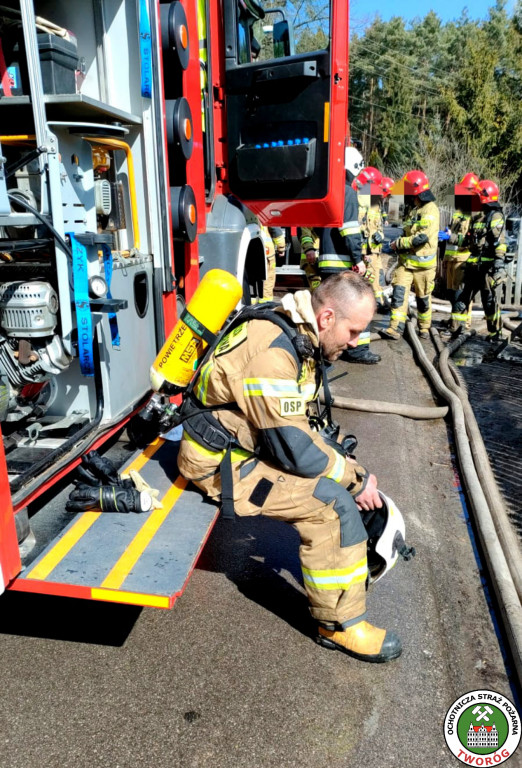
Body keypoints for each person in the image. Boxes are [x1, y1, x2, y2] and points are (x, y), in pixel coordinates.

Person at [177, 271, 402, 663]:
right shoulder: (274, 352)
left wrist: (345, 462)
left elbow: (299, 422)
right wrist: (355, 479)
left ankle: (339, 587)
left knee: (338, 480)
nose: (355, 342)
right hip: (220, 464)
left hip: (246, 444)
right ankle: (339, 625)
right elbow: (293, 447)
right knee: (331, 505)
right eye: (353, 331)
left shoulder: (297, 333)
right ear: (327, 317)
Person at [312, 147, 381, 365]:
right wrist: (358, 258)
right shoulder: (347, 193)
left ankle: (324, 349)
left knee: (329, 309)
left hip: (326, 262)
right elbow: (350, 231)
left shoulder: (327, 192)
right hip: (342, 263)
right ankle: (358, 352)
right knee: (358, 304)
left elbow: (316, 227)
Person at [380, 170, 440, 340]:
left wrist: (397, 244)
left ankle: (424, 328)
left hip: (424, 267)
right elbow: (401, 226)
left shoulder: (430, 210)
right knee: (399, 294)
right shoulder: (413, 209)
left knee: (423, 299)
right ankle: (395, 328)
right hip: (406, 264)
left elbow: (421, 237)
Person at [454, 180, 508, 341]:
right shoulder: (478, 216)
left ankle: (494, 334)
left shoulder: (495, 216)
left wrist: (498, 266)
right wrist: (452, 238)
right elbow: (470, 241)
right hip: (473, 266)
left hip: (487, 268)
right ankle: (458, 329)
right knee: (462, 298)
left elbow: (499, 242)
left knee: (489, 301)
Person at [442, 173, 480, 331]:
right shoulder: (460, 210)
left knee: (461, 294)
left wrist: (451, 236)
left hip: (463, 260)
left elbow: (470, 240)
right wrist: (448, 233)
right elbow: (453, 231)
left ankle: (462, 326)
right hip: (452, 258)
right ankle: (454, 322)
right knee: (452, 293)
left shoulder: (475, 213)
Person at [257, 226, 285, 303]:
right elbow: (275, 229)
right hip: (267, 251)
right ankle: (266, 302)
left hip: (251, 251)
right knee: (268, 278)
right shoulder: (265, 214)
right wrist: (281, 247)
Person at [298, 227, 322, 291]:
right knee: (316, 287)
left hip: (317, 257)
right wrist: (309, 249)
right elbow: (305, 235)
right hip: (312, 260)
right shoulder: (308, 219)